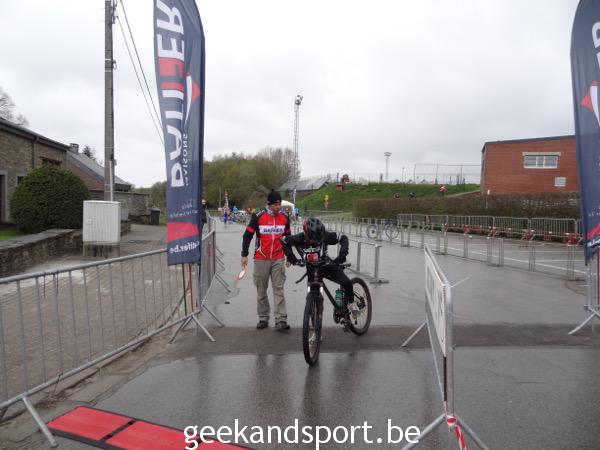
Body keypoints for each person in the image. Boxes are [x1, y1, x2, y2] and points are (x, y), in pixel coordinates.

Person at [281, 218, 353, 325]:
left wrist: (342, 254)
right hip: (312, 269)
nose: (317, 241)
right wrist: (292, 258)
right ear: (306, 234)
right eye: (314, 239)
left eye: (319, 238)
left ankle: (352, 305)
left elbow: (343, 237)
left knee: (347, 283)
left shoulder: (324, 236)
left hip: (327, 266)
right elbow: (283, 241)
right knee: (313, 294)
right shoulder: (299, 238)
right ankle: (315, 323)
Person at [241, 190, 291, 330]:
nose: (278, 207)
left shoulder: (285, 216)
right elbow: (247, 236)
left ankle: (281, 319)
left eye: (280, 204)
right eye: (276, 204)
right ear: (269, 204)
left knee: (279, 289)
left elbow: (288, 238)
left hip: (278, 258)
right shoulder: (258, 216)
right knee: (261, 290)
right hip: (261, 258)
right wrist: (244, 254)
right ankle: (263, 317)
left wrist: (289, 256)